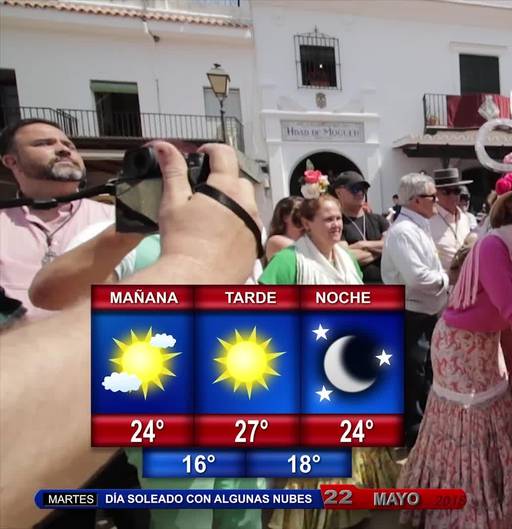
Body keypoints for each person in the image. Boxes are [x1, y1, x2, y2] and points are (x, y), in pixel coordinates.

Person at [1, 141, 261, 528]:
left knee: (243, 521)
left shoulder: (229, 232)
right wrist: (132, 226)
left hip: (240, 411)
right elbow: (48, 292)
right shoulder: (114, 235)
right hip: (169, 424)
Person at [398, 170, 512, 529]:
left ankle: (499, 503)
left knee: (495, 416)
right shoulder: (495, 246)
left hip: (484, 342)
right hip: (459, 345)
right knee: (466, 422)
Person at [263, 181, 398, 529]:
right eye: (327, 219)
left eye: (338, 218)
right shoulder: (288, 262)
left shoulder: (347, 261)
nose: (336, 225)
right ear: (306, 223)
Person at [0, 119, 114, 321]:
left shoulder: (119, 219)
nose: (63, 150)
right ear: (11, 161)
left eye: (69, 145)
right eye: (44, 143)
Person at [381, 172, 449, 448]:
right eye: (434, 197)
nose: (438, 202)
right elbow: (418, 278)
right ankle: (414, 431)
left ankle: (423, 429)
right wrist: (447, 279)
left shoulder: (418, 227)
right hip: (411, 313)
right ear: (417, 200)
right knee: (415, 373)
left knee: (425, 371)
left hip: (425, 312)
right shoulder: (404, 232)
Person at [333, 170, 389, 284]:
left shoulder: (379, 220)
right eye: (354, 188)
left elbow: (392, 246)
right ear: (339, 193)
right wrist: (381, 249)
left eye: (363, 188)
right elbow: (344, 258)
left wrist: (361, 245)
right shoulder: (337, 224)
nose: (360, 192)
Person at [428, 168, 474, 271]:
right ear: (435, 194)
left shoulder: (464, 219)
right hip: (442, 284)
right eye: (447, 192)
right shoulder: (429, 221)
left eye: (457, 191)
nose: (453, 196)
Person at [265, 196, 304, 263]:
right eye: (297, 213)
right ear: (285, 217)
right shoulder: (275, 241)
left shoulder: (304, 240)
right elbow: (304, 255)